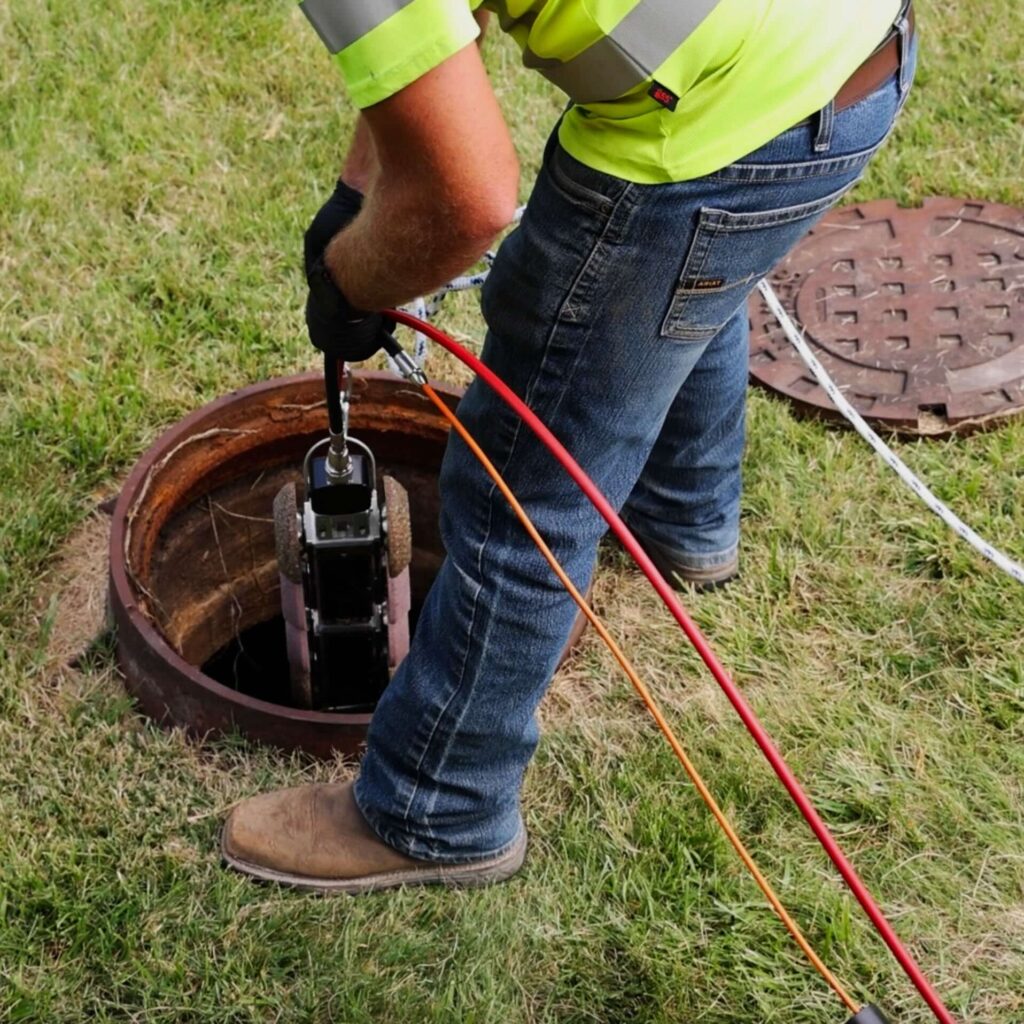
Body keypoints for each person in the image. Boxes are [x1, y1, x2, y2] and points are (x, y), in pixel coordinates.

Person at [222, 0, 918, 892]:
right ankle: (682, 522)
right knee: (685, 279)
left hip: (714, 126)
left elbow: (467, 200)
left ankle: (438, 805)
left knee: (524, 483)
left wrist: (354, 280)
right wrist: (360, 194)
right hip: (854, 51)